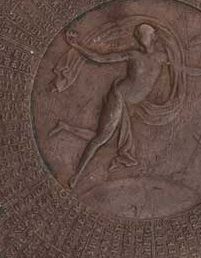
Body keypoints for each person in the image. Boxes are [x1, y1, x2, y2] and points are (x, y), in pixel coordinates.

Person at [64, 23, 169, 188]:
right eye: (139, 34)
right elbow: (101, 58)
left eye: (146, 34)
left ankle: (65, 128)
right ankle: (76, 176)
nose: (142, 37)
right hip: (119, 98)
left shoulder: (162, 57)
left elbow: (183, 70)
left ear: (154, 36)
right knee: (102, 138)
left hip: (136, 104)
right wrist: (75, 45)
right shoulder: (132, 54)